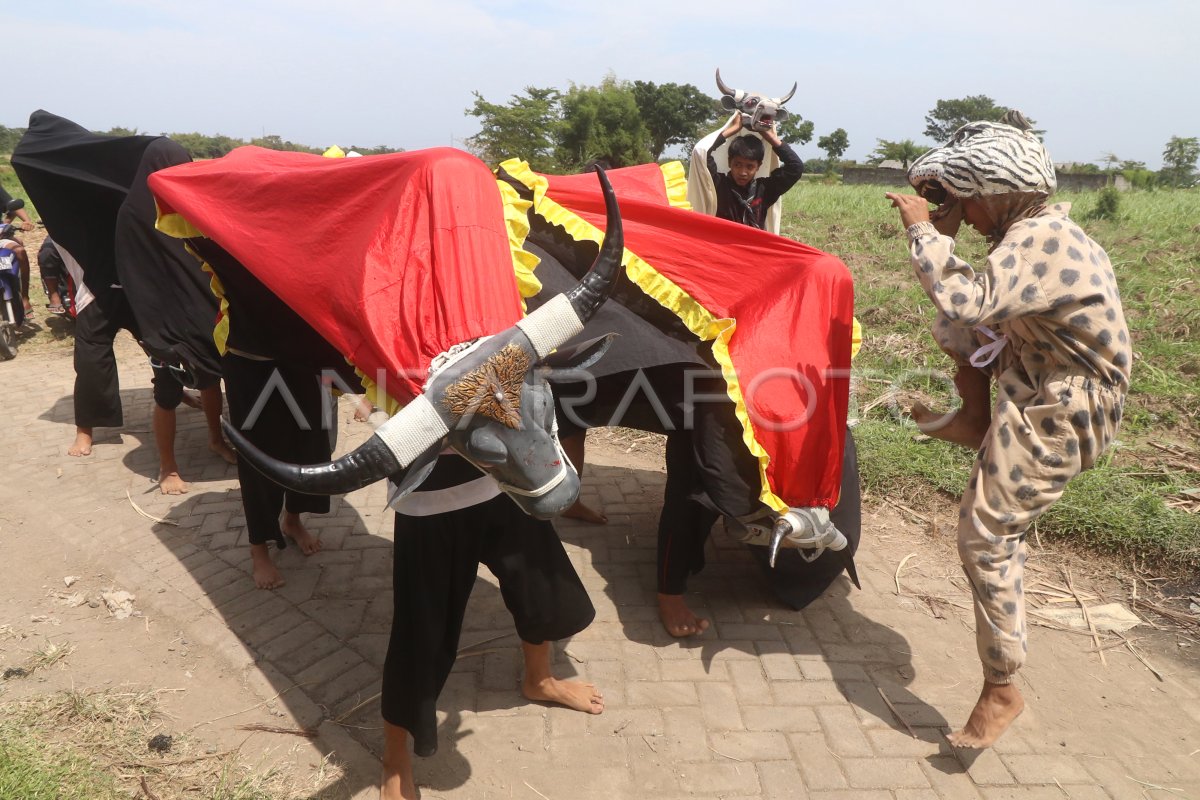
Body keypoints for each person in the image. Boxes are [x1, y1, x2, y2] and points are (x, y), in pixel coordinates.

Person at [885, 111, 1130, 748]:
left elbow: (963, 295)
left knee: (985, 532)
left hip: (1066, 407)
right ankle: (973, 420)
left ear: (998, 191)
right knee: (958, 331)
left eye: (967, 202)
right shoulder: (1032, 233)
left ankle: (1002, 686)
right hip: (1038, 379)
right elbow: (967, 312)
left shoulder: (1044, 242)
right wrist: (942, 231)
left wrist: (921, 232)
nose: (962, 215)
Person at [380, 451, 603, 800]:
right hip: (428, 492)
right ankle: (394, 761)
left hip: (504, 474)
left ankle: (539, 679)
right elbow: (353, 394)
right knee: (420, 629)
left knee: (540, 587)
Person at [149, 359, 236, 494]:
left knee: (209, 377)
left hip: (196, 338)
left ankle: (217, 441)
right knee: (167, 391)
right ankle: (168, 468)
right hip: (163, 340)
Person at [706, 113, 803, 229]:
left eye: (750, 166)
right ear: (729, 162)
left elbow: (796, 167)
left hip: (754, 246)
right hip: (724, 245)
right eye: (737, 165)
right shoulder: (719, 184)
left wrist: (766, 133)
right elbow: (702, 152)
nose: (743, 172)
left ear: (759, 166)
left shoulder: (764, 190)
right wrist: (735, 128)